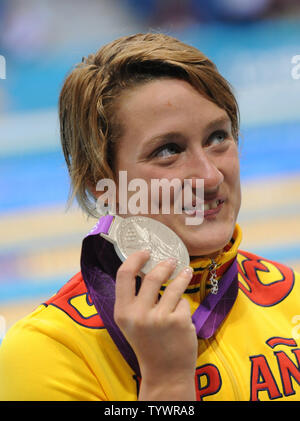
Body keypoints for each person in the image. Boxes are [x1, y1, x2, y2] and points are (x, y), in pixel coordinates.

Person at [0, 33, 299, 402]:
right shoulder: (49, 353)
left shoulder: (291, 297)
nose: (210, 176)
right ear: (101, 182)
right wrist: (164, 384)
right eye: (168, 151)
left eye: (217, 137)